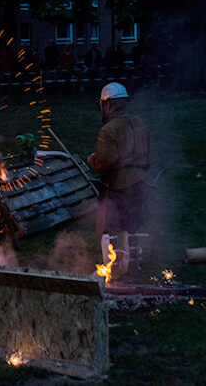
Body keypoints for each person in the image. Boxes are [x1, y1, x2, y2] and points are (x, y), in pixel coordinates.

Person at [87, 82, 150, 276]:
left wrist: (92, 159)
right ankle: (133, 266)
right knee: (130, 225)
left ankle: (111, 272)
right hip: (139, 183)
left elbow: (103, 163)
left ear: (107, 105)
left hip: (116, 186)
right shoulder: (139, 122)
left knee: (108, 228)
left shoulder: (108, 131)